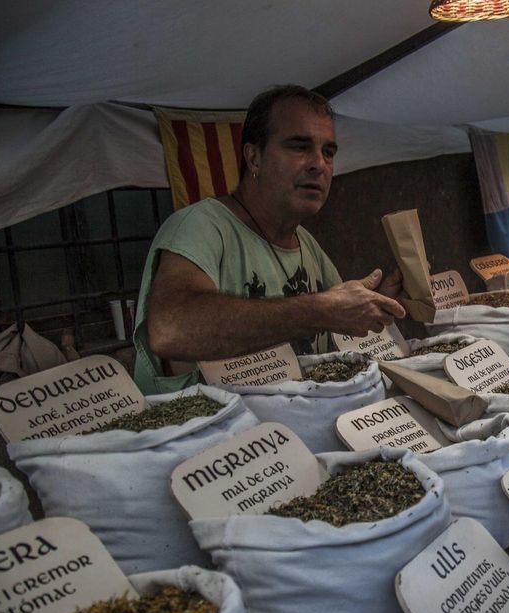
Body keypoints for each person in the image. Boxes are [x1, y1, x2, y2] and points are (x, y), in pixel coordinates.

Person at [132, 85, 405, 395]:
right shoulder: (200, 227)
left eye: (328, 152)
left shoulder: (305, 243)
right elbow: (171, 329)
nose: (319, 164)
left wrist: (377, 305)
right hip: (215, 439)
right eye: (299, 147)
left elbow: (334, 337)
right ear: (254, 157)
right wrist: (319, 310)